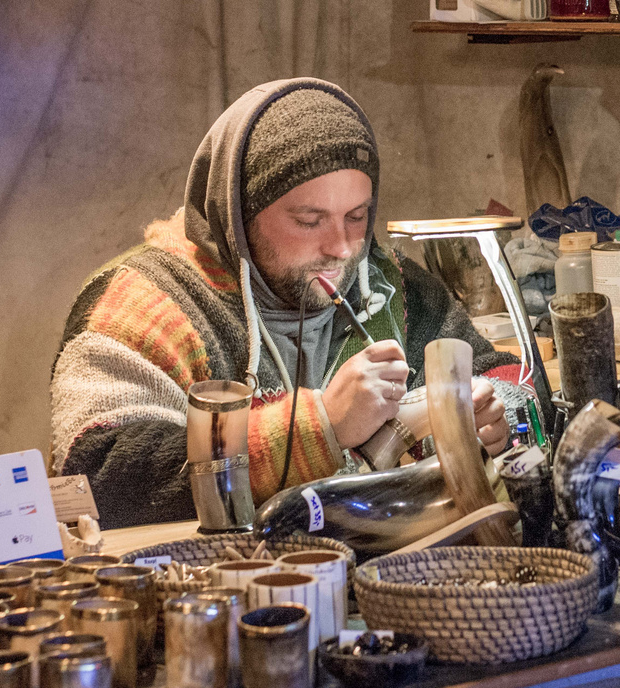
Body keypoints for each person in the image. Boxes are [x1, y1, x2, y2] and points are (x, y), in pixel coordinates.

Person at [51, 78, 521, 528]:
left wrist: (497, 415)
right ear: (239, 212)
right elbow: (96, 473)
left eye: (357, 216)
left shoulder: (385, 283)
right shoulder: (143, 304)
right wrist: (321, 426)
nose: (341, 247)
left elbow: (503, 373)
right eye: (309, 220)